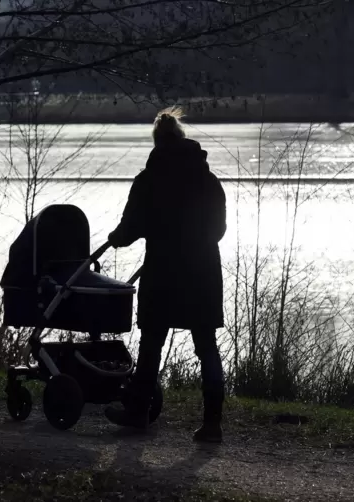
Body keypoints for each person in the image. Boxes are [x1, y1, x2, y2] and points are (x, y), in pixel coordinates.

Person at [104, 108, 227, 443]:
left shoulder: (149, 180)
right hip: (202, 273)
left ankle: (138, 412)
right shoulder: (208, 180)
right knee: (207, 347)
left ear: (157, 142)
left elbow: (130, 229)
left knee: (151, 344)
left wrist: (116, 238)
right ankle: (212, 422)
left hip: (162, 273)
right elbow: (219, 230)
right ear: (182, 139)